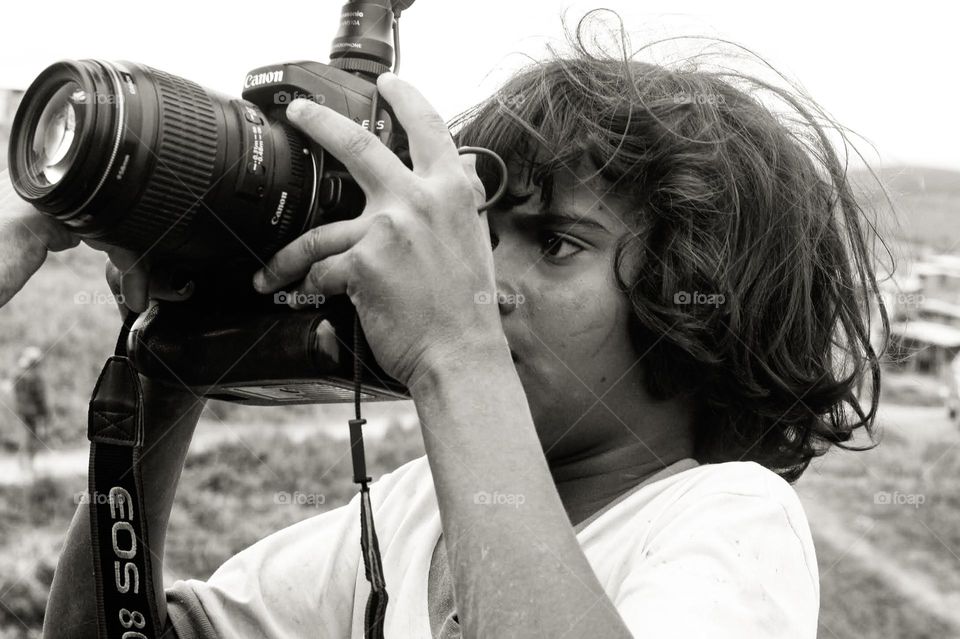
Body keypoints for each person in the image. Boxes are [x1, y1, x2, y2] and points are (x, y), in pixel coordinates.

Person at [0, 12, 889, 639]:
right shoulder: (416, 508)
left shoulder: (730, 518)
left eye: (556, 243)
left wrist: (455, 351)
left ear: (699, 302)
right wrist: (174, 351)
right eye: (480, 235)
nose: (484, 280)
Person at [12, 344, 49, 476]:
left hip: (21, 410)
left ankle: (23, 465)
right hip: (33, 412)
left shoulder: (17, 374)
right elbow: (40, 397)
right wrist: (45, 414)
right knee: (33, 438)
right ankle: (30, 466)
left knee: (24, 437)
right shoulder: (35, 377)